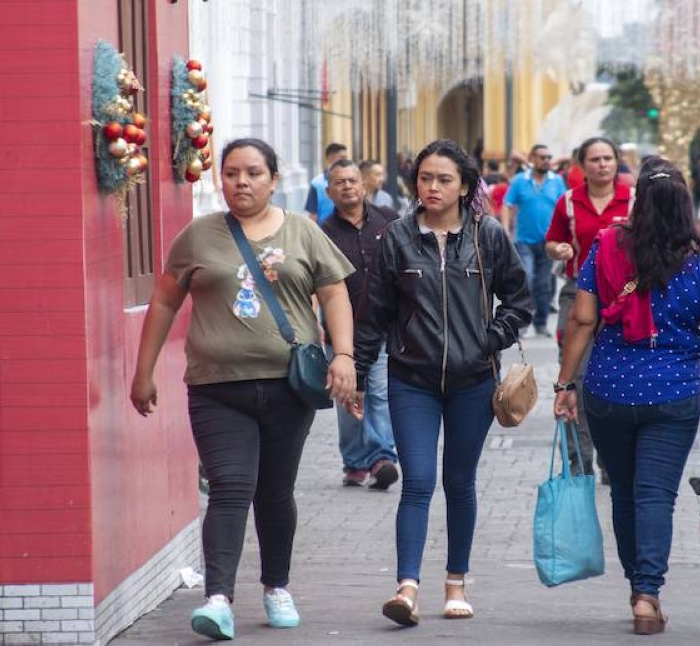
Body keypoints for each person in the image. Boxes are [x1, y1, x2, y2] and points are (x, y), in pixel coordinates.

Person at [130, 138, 357, 640]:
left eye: (253, 173)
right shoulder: (197, 237)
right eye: (232, 173)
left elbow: (334, 292)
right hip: (216, 389)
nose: (242, 182)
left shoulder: (304, 232)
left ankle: (276, 586)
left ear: (273, 180)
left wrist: (343, 355)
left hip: (288, 388)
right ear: (221, 179)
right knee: (231, 487)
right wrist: (143, 371)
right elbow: (165, 302)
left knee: (275, 493)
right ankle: (218, 599)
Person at [353, 138, 532, 626]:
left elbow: (520, 301)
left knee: (459, 481)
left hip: (473, 381)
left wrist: (488, 340)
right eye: (425, 178)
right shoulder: (397, 238)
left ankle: (456, 581)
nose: (432, 187)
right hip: (412, 378)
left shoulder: (488, 236)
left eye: (444, 179)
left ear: (465, 186)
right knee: (418, 481)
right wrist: (356, 370)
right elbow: (374, 314)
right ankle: (406, 588)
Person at [553, 157, 700, 635]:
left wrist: (565, 383)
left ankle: (638, 583)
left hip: (609, 389)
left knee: (625, 493)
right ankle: (647, 595)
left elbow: (583, 318)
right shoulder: (697, 263)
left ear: (639, 203)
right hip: (673, 394)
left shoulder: (607, 244)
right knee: (655, 495)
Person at [545, 136, 632, 479]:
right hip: (578, 290)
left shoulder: (634, 200)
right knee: (575, 376)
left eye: (607, 158)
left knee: (618, 376)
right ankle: (578, 461)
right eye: (594, 159)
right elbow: (551, 241)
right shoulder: (568, 201)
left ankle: (611, 461)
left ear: (616, 161)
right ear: (582, 165)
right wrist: (559, 250)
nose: (602, 165)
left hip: (624, 296)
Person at [321, 159, 400, 489]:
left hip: (380, 328)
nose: (348, 186)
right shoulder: (321, 233)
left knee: (379, 392)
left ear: (364, 185)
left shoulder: (390, 222)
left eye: (352, 180)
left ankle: (382, 457)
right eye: (340, 182)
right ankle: (354, 462)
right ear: (329, 191)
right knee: (347, 394)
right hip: (340, 332)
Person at [501, 143, 567, 337]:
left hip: (549, 242)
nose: (546, 160)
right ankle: (523, 322)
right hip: (524, 241)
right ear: (532, 159)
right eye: (542, 157)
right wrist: (505, 228)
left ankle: (541, 323)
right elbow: (507, 204)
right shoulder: (520, 181)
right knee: (527, 279)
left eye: (548, 157)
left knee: (544, 284)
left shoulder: (557, 181)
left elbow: (565, 207)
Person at [305, 142, 349, 224]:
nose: (345, 161)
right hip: (323, 233)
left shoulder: (350, 181)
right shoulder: (317, 183)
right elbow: (313, 214)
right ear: (330, 157)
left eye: (346, 157)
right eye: (342, 157)